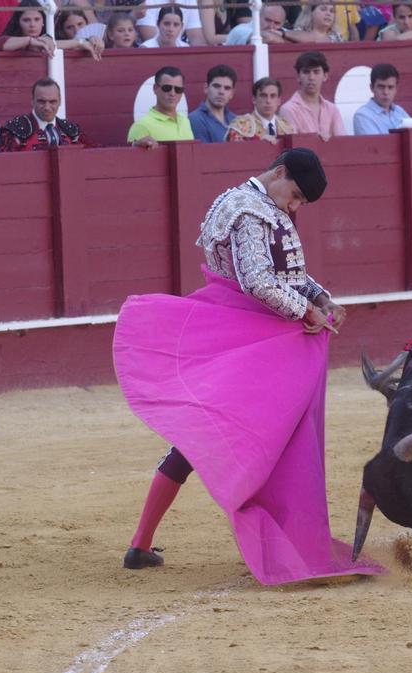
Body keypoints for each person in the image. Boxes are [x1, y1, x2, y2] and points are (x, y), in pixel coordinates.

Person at [113, 148, 385, 586]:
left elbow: (287, 275)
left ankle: (140, 544)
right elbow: (258, 282)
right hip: (251, 340)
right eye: (294, 196)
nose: (293, 207)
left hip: (254, 336)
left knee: (206, 436)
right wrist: (304, 313)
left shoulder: (255, 204)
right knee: (242, 435)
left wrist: (320, 298)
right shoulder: (249, 211)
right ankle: (146, 543)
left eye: (299, 204)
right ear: (279, 172)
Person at [0, 78, 95, 151]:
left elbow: (94, 156)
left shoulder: (72, 131)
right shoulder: (14, 130)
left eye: (52, 102)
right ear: (32, 101)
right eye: (41, 101)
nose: (47, 107)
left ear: (60, 101)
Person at [280, 51, 345, 140]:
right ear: (298, 77)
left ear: (325, 76)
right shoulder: (288, 110)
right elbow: (293, 146)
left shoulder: (332, 109)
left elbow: (343, 142)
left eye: (316, 72)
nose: (311, 77)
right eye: (306, 72)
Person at [128, 66, 194, 148]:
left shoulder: (185, 122)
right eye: (167, 88)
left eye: (178, 89)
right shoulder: (141, 126)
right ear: (155, 88)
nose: (172, 93)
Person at [226, 77, 295, 142]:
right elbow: (235, 152)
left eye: (273, 96)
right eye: (263, 96)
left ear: (279, 101)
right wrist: (258, 142)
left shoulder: (287, 127)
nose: (268, 101)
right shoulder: (240, 126)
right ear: (254, 100)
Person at [353, 63, 412, 135]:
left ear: (396, 89)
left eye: (390, 87)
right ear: (372, 88)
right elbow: (375, 145)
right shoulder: (362, 116)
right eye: (381, 87)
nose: (386, 92)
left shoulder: (400, 111)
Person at [189, 64, 238, 143]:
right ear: (206, 88)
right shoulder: (196, 119)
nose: (221, 92)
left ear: (232, 94)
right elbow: (204, 153)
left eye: (227, 88)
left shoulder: (235, 119)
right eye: (216, 86)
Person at [279, 0, 353, 42]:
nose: (328, 14)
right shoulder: (299, 31)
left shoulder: (337, 36)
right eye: (323, 9)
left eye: (332, 11)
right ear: (311, 12)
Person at [137, 0, 203, 44]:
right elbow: (149, 37)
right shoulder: (148, 1)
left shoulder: (190, 1)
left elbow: (196, 38)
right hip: (153, 53)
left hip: (178, 51)